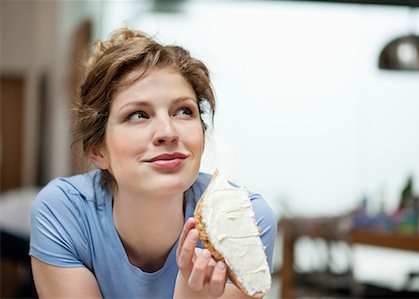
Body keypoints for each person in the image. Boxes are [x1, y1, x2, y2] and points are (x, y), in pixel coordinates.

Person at [29, 27, 276, 299]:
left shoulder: (245, 221)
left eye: (184, 111)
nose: (168, 132)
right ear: (98, 150)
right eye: (138, 115)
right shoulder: (63, 212)